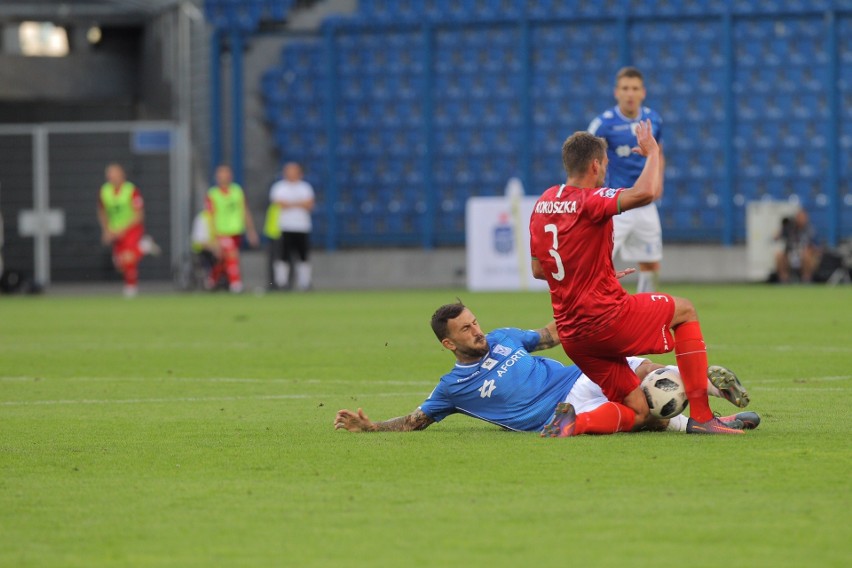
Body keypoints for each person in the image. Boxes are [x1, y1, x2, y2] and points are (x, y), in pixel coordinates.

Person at [528, 123, 742, 435]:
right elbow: (647, 193)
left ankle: (575, 423)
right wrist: (653, 152)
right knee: (684, 311)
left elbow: (538, 269)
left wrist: (591, 275)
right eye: (606, 165)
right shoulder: (591, 199)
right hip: (605, 319)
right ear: (595, 164)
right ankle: (703, 416)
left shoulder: (544, 201)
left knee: (639, 411)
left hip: (573, 336)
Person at [334, 302, 757, 435]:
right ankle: (700, 423)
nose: (477, 331)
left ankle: (711, 394)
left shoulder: (503, 337)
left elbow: (552, 334)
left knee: (639, 366)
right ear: (449, 343)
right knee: (642, 411)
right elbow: (416, 420)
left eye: (475, 322)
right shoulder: (453, 387)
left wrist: (592, 304)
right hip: (558, 407)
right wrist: (373, 428)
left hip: (578, 375)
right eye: (466, 330)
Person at [588, 67, 664, 293]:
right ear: (616, 92)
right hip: (616, 203)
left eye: (634, 88)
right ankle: (594, 311)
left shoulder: (654, 119)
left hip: (645, 202)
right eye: (625, 88)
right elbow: (588, 160)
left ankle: (646, 313)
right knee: (598, 264)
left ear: (643, 92)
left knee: (651, 263)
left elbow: (659, 150)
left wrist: (658, 180)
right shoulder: (603, 124)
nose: (630, 93)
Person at [96, 163, 159, 297]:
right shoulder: (104, 191)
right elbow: (102, 212)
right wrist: (106, 230)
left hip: (131, 229)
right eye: (110, 175)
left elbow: (139, 214)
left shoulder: (131, 190)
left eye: (115, 174)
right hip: (115, 230)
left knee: (128, 258)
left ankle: (131, 287)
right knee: (119, 264)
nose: (112, 177)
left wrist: (122, 229)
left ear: (122, 175)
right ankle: (144, 247)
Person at [206, 165, 259, 293]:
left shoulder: (237, 191)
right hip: (221, 231)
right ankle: (236, 284)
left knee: (224, 260)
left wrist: (251, 231)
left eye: (226, 173)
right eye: (221, 173)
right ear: (217, 176)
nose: (224, 176)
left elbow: (244, 211)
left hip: (236, 231)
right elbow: (210, 217)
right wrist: (213, 237)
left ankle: (211, 280)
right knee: (232, 256)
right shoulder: (213, 194)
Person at [268, 162, 315, 291]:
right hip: (285, 227)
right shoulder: (279, 187)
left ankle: (304, 283)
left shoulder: (305, 187)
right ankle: (281, 283)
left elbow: (309, 204)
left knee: (303, 256)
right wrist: (299, 204)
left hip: (302, 227)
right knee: (283, 256)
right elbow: (279, 204)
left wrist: (290, 204)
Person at [775, 209, 821, 283]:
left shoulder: (810, 230)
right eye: (799, 217)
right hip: (791, 255)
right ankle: (784, 279)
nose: (801, 219)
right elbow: (777, 237)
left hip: (805, 256)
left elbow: (817, 247)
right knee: (779, 255)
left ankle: (806, 279)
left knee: (807, 255)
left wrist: (810, 250)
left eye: (803, 217)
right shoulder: (790, 228)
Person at [190, 209, 219, 289]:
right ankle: (209, 281)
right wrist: (215, 249)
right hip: (202, 251)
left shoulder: (220, 217)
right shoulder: (203, 218)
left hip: (216, 249)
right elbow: (200, 241)